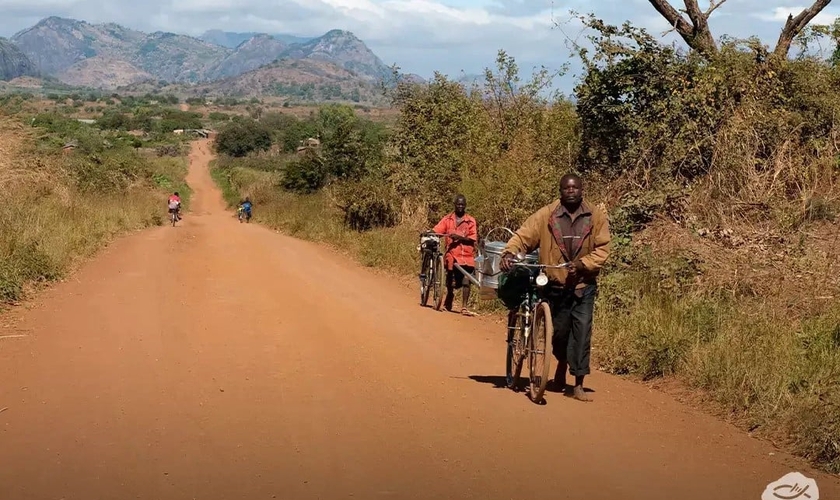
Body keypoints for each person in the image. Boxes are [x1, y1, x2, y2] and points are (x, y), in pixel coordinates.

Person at [500, 173, 610, 402]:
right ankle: (560, 363)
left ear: (582, 190)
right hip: (555, 286)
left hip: (583, 284)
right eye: (566, 188)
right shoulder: (546, 215)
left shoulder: (596, 216)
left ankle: (578, 384)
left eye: (575, 188)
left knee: (581, 334)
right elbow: (524, 236)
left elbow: (603, 249)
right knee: (558, 335)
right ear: (560, 191)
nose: (571, 191)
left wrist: (582, 265)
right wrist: (510, 252)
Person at [432, 194, 478, 316]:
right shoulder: (448, 219)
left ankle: (464, 307)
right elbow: (437, 230)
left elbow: (473, 239)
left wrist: (459, 237)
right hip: (452, 253)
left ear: (465, 206)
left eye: (462, 205)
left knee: (466, 279)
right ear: (454, 205)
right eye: (458, 204)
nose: (460, 207)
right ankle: (449, 296)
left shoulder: (470, 221)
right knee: (450, 274)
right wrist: (431, 233)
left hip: (467, 254)